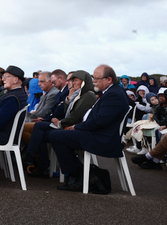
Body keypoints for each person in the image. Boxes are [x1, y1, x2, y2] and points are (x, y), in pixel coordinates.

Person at [49, 64, 130, 192]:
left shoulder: (114, 95)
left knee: (56, 136)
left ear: (109, 79)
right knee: (58, 134)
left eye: (97, 78)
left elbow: (99, 121)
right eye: (94, 77)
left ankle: (77, 175)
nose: (94, 81)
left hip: (103, 139)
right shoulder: (110, 92)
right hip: (99, 134)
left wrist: (77, 127)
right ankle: (81, 174)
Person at [22, 70, 96, 178]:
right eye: (72, 80)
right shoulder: (78, 95)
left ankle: (33, 157)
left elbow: (74, 117)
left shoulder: (88, 96)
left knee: (40, 128)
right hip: (65, 124)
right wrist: (68, 99)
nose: (72, 83)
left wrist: (60, 122)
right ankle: (39, 163)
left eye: (75, 80)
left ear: (84, 82)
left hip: (73, 128)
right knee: (39, 130)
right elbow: (68, 113)